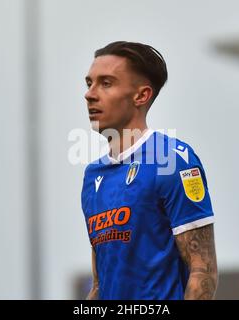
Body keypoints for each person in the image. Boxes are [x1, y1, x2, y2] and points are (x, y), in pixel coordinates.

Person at [81, 41, 217, 300]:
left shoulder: (174, 161)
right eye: (89, 83)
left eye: (106, 83)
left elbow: (203, 271)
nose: (90, 94)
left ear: (141, 96)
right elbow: (100, 285)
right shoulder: (92, 175)